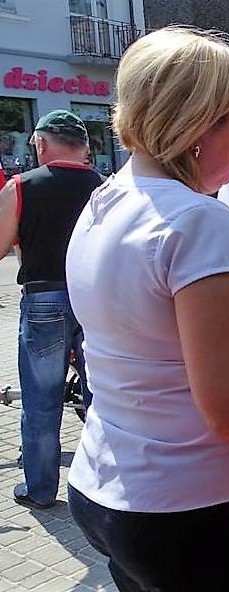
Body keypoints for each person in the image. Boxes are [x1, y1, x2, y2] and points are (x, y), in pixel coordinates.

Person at [64, 28, 229, 590]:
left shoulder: (109, 197)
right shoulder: (198, 221)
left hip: (115, 484)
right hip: (200, 503)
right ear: (194, 126)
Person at [0, 110, 101, 510]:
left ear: (41, 143)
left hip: (43, 300)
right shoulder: (105, 187)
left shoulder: (22, 185)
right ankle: (99, 487)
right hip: (95, 299)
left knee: (41, 401)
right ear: (85, 147)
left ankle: (41, 490)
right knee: (102, 397)